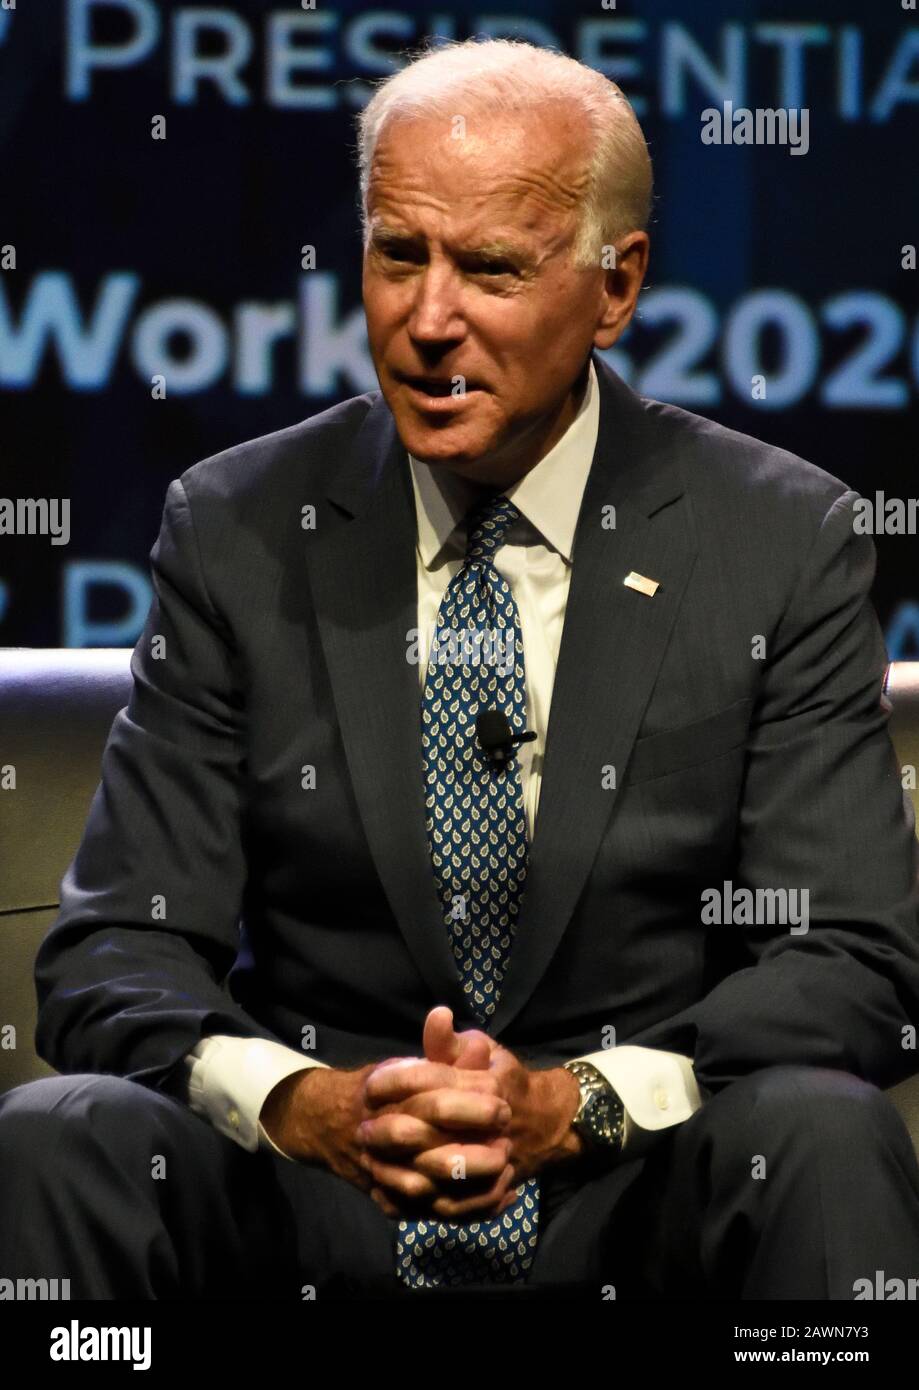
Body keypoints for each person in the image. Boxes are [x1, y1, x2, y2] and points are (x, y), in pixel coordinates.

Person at [3, 36, 919, 1300]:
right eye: (397, 256)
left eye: (490, 267)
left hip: (636, 1205)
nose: (429, 321)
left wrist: (568, 1105)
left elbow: (853, 958)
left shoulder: (775, 539)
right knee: (60, 1139)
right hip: (313, 1208)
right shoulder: (236, 525)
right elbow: (114, 952)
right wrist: (310, 1102)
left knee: (822, 1133)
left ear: (615, 284)